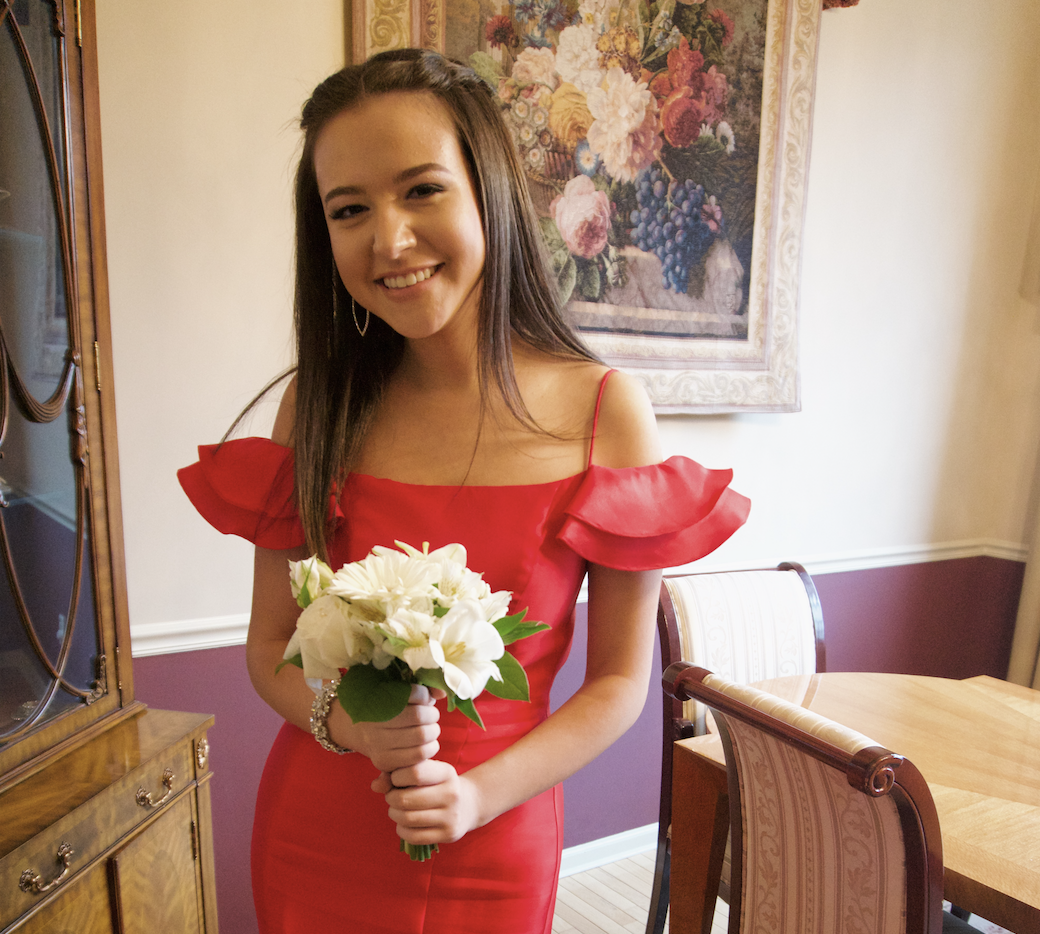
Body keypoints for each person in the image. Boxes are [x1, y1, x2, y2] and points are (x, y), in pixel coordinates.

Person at [178, 48, 749, 934]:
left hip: (496, 831)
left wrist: (477, 796)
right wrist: (352, 729)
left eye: (421, 191)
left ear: (490, 192)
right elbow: (270, 648)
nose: (389, 240)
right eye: (349, 209)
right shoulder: (318, 405)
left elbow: (617, 686)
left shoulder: (605, 412)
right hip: (318, 827)